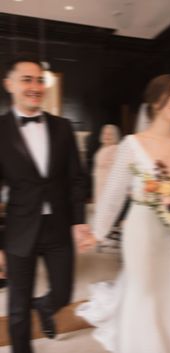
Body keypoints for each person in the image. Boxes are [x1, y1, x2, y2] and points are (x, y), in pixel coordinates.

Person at [76, 74, 170, 353]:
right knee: (143, 295)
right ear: (156, 101)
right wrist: (97, 232)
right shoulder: (131, 144)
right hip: (141, 233)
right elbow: (113, 196)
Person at [0, 54, 91, 353]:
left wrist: (79, 220)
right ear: (9, 84)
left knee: (64, 293)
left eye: (40, 80)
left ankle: (44, 305)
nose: (35, 86)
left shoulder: (63, 127)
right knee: (16, 308)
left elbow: (76, 179)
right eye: (27, 79)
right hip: (18, 229)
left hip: (58, 227)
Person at [93, 124, 121, 204]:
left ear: (115, 136)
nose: (107, 136)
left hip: (108, 183)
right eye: (105, 133)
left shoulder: (115, 148)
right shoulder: (103, 147)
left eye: (110, 134)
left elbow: (116, 170)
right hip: (99, 181)